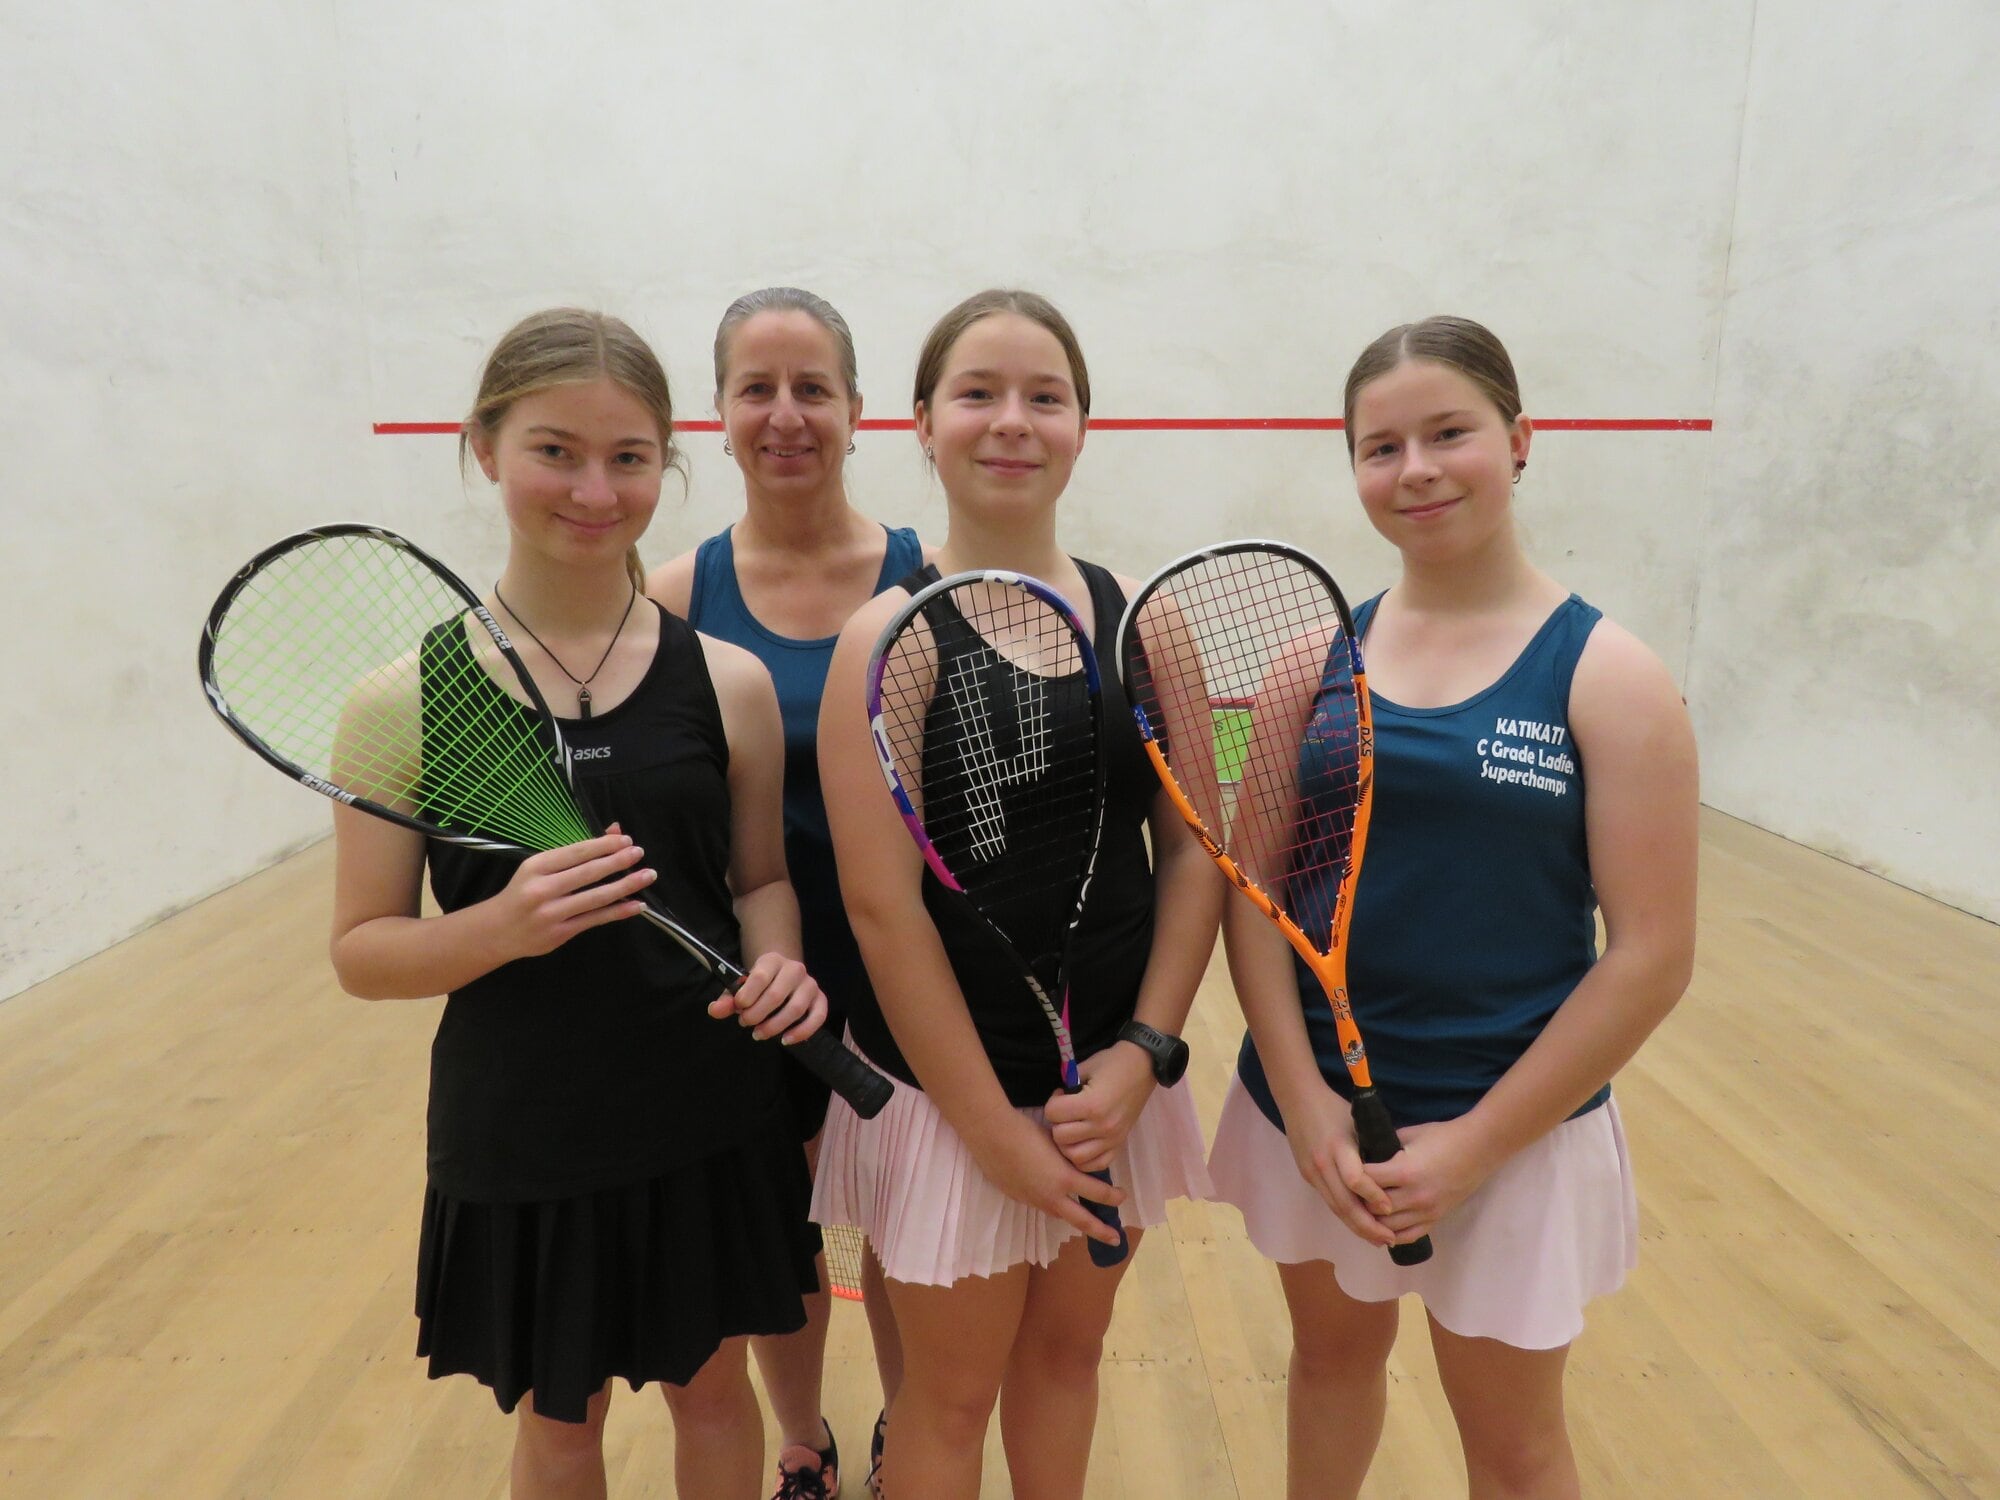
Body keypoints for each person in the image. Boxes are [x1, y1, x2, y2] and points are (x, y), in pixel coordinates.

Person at [329, 307, 829, 1500]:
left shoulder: (729, 682)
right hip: (524, 1126)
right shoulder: (402, 701)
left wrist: (780, 963)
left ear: (667, 460)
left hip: (708, 1107)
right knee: (562, 1425)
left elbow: (757, 878)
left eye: (629, 456)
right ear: (483, 448)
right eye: (554, 450)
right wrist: (498, 927)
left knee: (715, 1398)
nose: (594, 490)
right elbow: (361, 950)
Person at [1206, 315, 1699, 1499]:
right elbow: (1252, 898)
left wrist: (1476, 1147)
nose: (1414, 469)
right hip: (1317, 1129)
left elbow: (1648, 958)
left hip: (1516, 1133)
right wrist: (1311, 1103)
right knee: (1327, 1370)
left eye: (1447, 433)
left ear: (1520, 439)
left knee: (1512, 1440)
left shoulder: (1608, 676)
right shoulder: (1307, 667)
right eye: (1380, 447)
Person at [813, 289, 1224, 1500]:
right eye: (978, 394)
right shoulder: (888, 640)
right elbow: (882, 911)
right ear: (924, 425)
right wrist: (993, 1134)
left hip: (1106, 1090)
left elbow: (1192, 849)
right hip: (951, 1108)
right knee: (944, 1399)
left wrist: (1145, 1052)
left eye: (1043, 396)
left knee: (1067, 1359)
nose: (1011, 421)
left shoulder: (1143, 627)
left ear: (1082, 426)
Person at [648, 286, 923, 1499]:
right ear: (716, 414)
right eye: (755, 389)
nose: (785, 414)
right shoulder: (671, 593)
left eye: (812, 387)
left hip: (910, 961)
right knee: (782, 1231)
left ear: (859, 411)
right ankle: (802, 1444)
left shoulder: (929, 577)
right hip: (754, 974)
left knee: (911, 1232)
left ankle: (911, 1442)